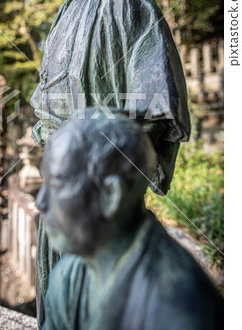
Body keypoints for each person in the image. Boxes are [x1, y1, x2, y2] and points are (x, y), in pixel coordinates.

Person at [30, 0, 191, 326]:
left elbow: (157, 99)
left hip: (97, 191)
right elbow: (47, 91)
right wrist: (46, 128)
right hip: (61, 184)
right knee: (55, 299)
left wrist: (102, 147)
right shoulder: (68, 7)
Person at [37, 111, 223, 330]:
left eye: (57, 184)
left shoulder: (183, 307)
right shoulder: (67, 278)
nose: (41, 202)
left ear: (110, 195)